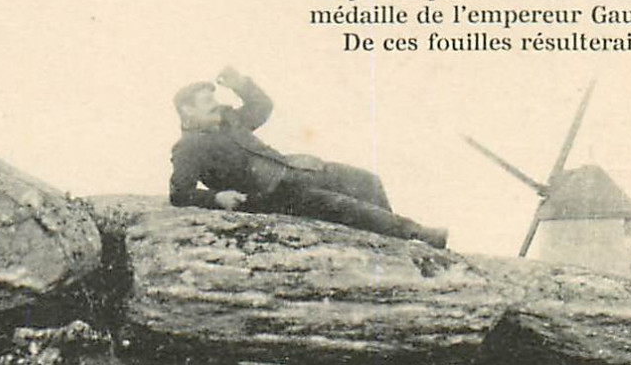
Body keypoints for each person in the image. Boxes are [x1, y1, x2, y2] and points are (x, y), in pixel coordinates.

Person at [169, 67, 448, 248]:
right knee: (344, 206)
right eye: (206, 103)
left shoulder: (228, 121)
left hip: (294, 170)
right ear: (187, 111)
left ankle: (391, 239)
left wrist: (241, 84)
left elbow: (261, 107)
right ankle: (417, 235)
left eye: (213, 99)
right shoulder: (189, 147)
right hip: (273, 196)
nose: (216, 104)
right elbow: (180, 193)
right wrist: (216, 198)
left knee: (367, 181)